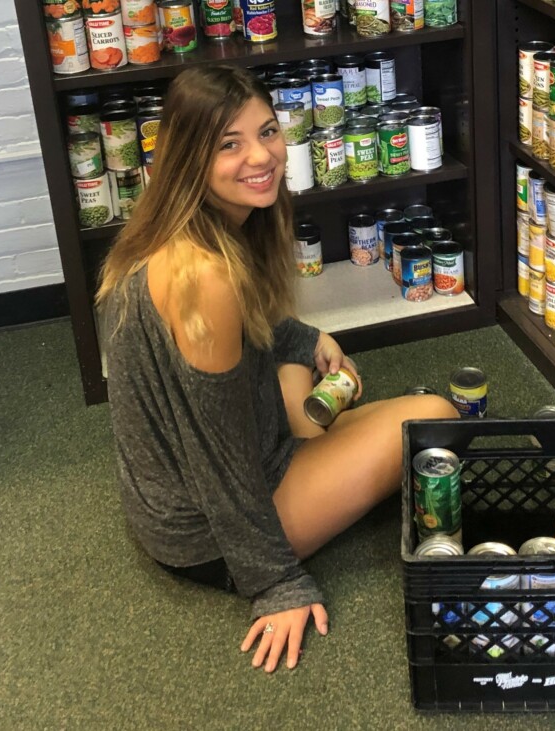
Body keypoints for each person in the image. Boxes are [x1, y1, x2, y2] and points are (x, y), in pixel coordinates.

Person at [95, 65, 457, 675]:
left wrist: (305, 337)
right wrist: (274, 581)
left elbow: (249, 334)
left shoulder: (174, 227)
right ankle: (333, 455)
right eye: (228, 145)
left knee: (296, 367)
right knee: (437, 417)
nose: (260, 156)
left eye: (268, 131)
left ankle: (330, 445)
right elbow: (220, 453)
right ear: (190, 159)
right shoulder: (203, 275)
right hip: (207, 529)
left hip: (172, 489)